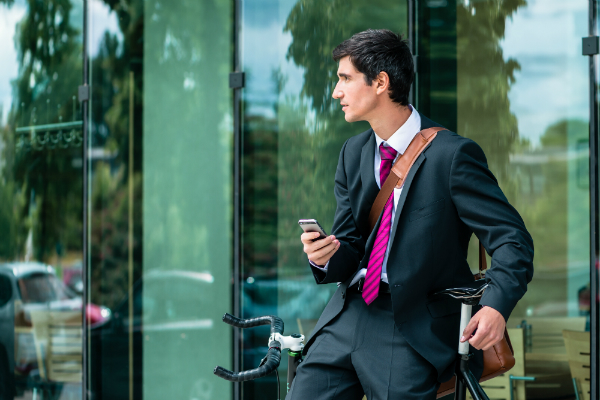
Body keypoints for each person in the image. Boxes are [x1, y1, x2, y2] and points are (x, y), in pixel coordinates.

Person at [287, 29, 534, 400]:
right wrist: (324, 256)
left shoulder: (453, 156)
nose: (337, 92)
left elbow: (513, 240)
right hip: (347, 313)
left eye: (345, 79)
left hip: (409, 326)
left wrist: (496, 305)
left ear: (381, 83)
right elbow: (351, 246)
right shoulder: (352, 153)